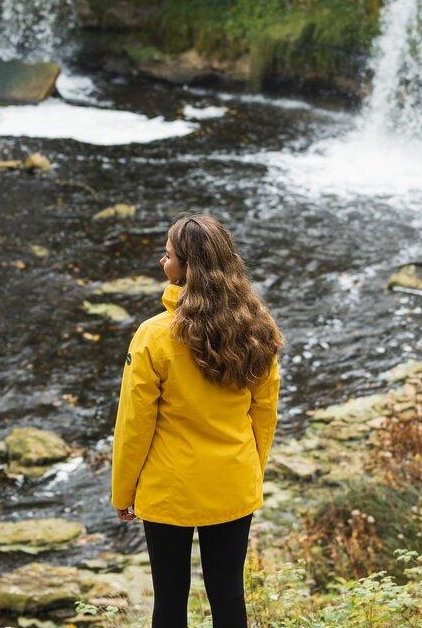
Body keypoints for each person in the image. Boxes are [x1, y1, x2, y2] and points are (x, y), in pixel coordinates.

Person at [111, 213, 283, 628]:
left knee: (169, 600)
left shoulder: (154, 336)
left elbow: (135, 424)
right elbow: (264, 413)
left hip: (169, 489)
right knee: (228, 595)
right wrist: (250, 474)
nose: (161, 262)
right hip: (232, 481)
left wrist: (123, 491)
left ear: (188, 267)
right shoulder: (257, 327)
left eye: (168, 256)